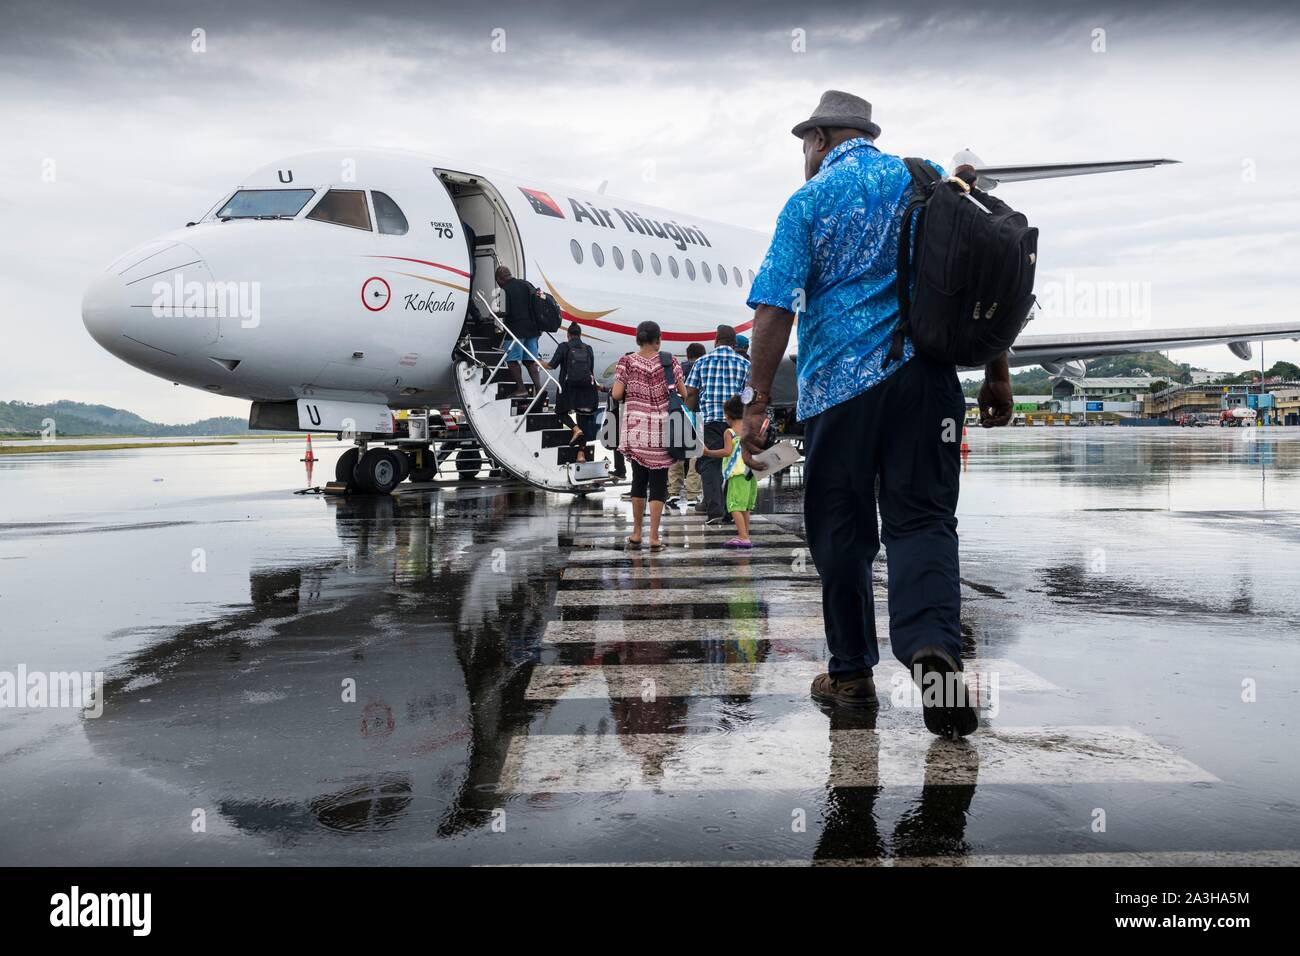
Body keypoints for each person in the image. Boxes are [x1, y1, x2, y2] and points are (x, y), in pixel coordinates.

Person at [740, 89, 1012, 738]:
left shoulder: (808, 202)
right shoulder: (927, 182)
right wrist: (997, 371)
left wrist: (756, 405)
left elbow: (775, 306)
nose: (804, 153)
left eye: (806, 141)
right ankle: (934, 652)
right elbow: (986, 273)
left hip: (840, 392)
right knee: (921, 522)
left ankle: (851, 674)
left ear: (824, 139)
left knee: (842, 534)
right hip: (928, 385)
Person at [611, 321, 689, 551]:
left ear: (637, 339)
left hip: (636, 430)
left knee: (638, 481)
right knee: (658, 484)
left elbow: (616, 394)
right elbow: (682, 393)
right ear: (659, 339)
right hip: (661, 432)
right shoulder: (669, 361)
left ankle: (636, 533)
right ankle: (654, 537)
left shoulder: (626, 361)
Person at [685, 325, 750, 525]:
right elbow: (749, 396)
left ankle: (715, 512)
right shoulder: (744, 363)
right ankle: (732, 511)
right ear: (733, 343)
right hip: (735, 422)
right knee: (733, 465)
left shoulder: (701, 362)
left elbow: (692, 393)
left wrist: (692, 420)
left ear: (715, 340)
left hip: (709, 420)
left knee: (709, 464)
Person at [700, 394, 759, 548]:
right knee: (745, 506)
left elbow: (727, 452)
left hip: (737, 473)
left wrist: (708, 452)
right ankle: (745, 534)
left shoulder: (729, 432)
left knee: (734, 506)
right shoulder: (749, 429)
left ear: (727, 415)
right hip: (750, 472)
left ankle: (743, 537)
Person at [540, 323, 603, 462]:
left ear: (568, 335)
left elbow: (551, 365)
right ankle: (581, 454)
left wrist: (538, 361)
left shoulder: (564, 346)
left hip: (568, 388)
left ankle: (575, 429)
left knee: (561, 412)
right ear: (580, 335)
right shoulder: (589, 348)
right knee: (584, 419)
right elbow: (590, 370)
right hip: (587, 389)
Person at [666, 342, 707, 507]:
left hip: (677, 414)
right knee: (694, 454)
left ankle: (673, 492)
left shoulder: (677, 369)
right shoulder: (702, 367)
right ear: (702, 354)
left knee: (676, 454)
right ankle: (692, 494)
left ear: (688, 354)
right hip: (696, 414)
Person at [494, 265, 542, 398]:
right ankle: (539, 388)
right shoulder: (526, 284)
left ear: (499, 279)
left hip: (515, 331)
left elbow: (504, 311)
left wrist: (493, 313)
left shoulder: (504, 290)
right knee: (530, 360)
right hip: (532, 330)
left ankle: (521, 389)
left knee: (512, 360)